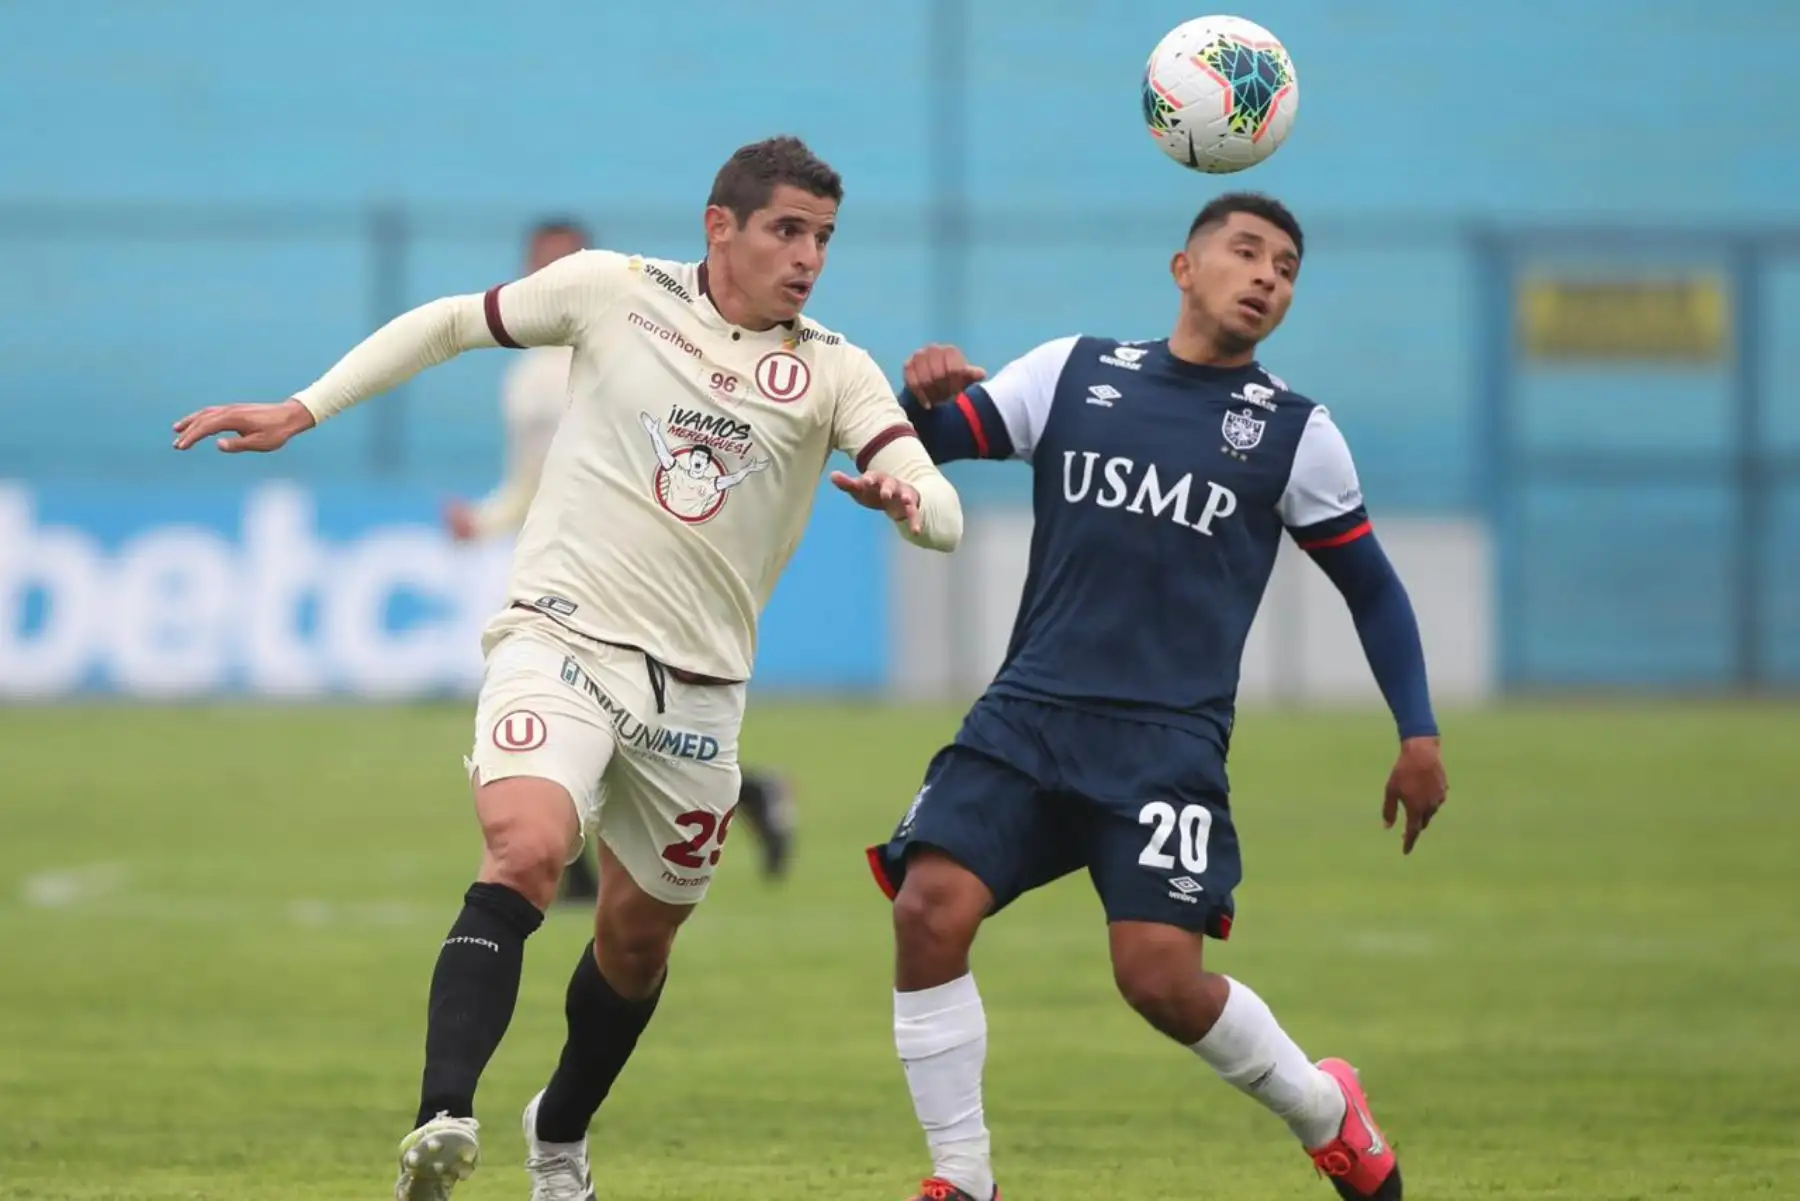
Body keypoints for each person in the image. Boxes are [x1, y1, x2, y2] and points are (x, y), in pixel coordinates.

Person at [172, 134, 963, 1201]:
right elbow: (452, 322)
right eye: (787, 229)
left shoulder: (836, 368)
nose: (808, 256)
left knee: (637, 945)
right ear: (718, 226)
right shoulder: (610, 293)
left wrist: (915, 503)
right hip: (563, 638)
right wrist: (304, 407)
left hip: (700, 696)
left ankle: (560, 1133)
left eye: (822, 236)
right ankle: (442, 1117)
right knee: (527, 849)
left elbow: (935, 502)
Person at [866, 192, 1447, 1201]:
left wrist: (1418, 732)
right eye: (1247, 252)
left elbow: (1374, 588)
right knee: (928, 909)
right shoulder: (1074, 372)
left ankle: (1326, 1110)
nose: (1267, 276)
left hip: (1164, 747)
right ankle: (965, 1178)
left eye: (1287, 268)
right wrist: (919, 400)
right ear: (1185, 268)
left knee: (1158, 980)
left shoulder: (1296, 434)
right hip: (1028, 715)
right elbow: (929, 442)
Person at [444, 217, 801, 896]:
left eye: (560, 264)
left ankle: (738, 797)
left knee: (629, 725)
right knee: (561, 713)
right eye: (537, 265)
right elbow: (528, 480)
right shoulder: (523, 378)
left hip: (622, 568)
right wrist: (484, 520)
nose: (546, 279)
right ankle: (590, 858)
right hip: (552, 562)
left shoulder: (623, 345)